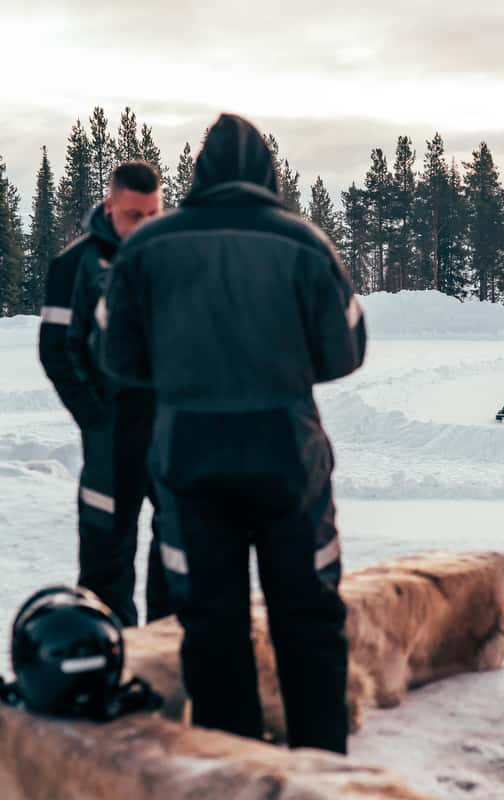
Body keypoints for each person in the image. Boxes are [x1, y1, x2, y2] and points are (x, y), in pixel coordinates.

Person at [99, 114, 366, 754]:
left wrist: (181, 375)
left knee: (210, 624)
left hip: (190, 461)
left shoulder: (147, 247)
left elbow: (116, 355)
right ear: (267, 173)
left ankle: (232, 767)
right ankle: (321, 771)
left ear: (201, 175)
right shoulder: (304, 243)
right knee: (308, 615)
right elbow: (346, 349)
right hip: (287, 457)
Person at [39, 162, 167, 627]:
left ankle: (164, 663)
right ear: (110, 204)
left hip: (168, 431)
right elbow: (56, 352)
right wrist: (95, 418)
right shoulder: (74, 265)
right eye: (135, 216)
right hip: (110, 436)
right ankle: (109, 664)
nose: (145, 227)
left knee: (177, 554)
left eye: (154, 215)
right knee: (105, 564)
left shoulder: (168, 260)